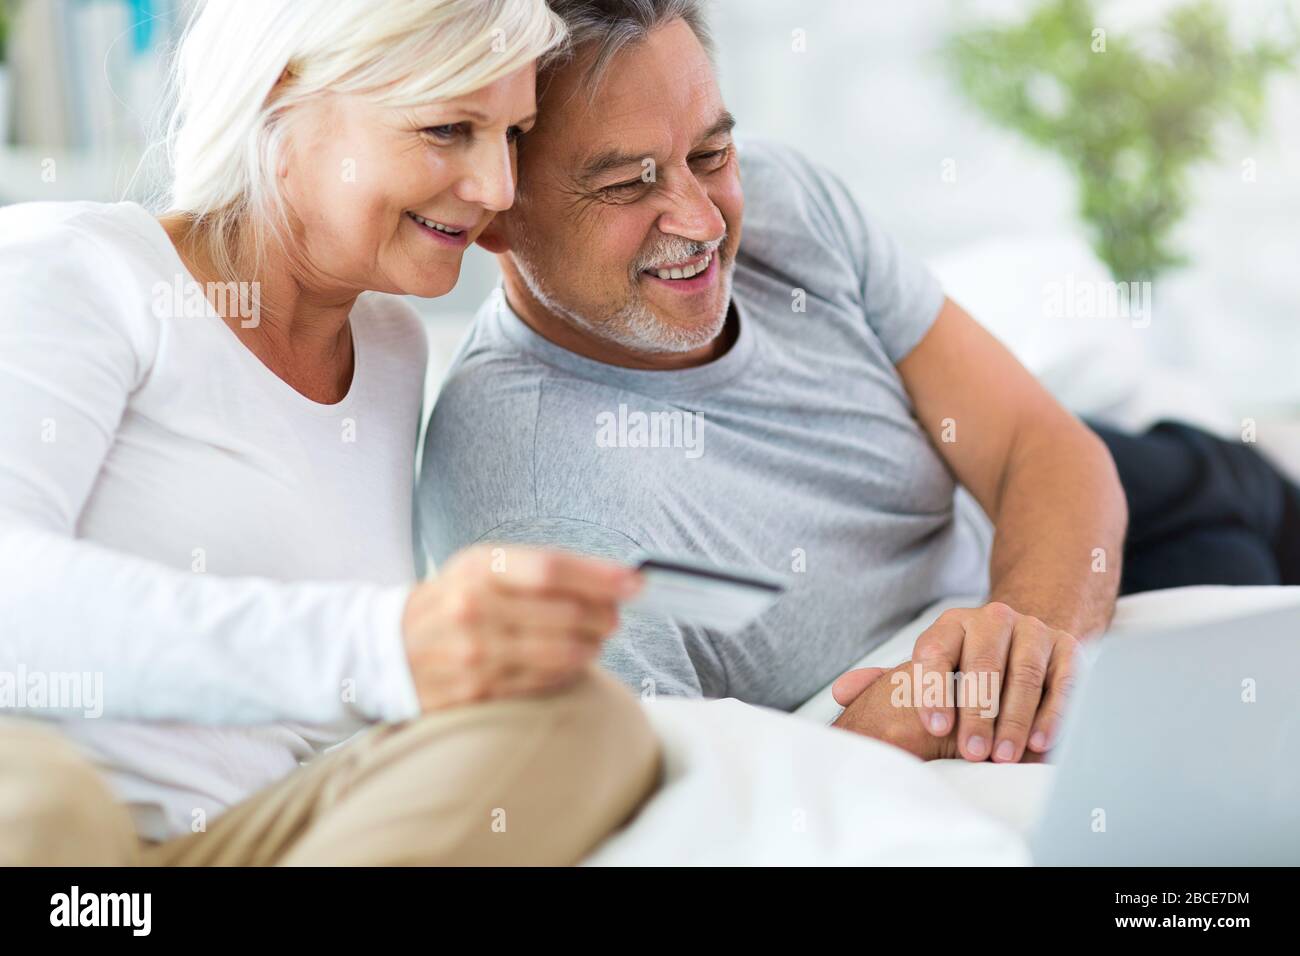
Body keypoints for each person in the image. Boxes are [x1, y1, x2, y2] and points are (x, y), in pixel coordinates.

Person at [418, 0, 1300, 765]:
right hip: (1002, 588)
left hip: (1048, 523)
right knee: (1246, 622)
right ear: (494, 206)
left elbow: (1038, 445)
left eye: (712, 154)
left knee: (1238, 491)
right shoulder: (532, 509)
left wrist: (1024, 640)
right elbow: (685, 820)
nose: (698, 220)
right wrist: (894, 723)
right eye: (625, 184)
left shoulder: (785, 204)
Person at [0, 0, 659, 867]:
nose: (498, 187)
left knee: (584, 719)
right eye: (448, 129)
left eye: (512, 136)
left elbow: (321, 723)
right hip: (54, 816)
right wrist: (387, 645)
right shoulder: (74, 267)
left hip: (240, 841)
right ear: (286, 101)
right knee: (51, 809)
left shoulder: (390, 349)